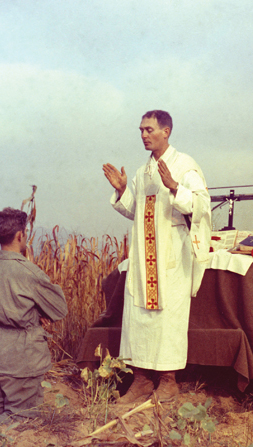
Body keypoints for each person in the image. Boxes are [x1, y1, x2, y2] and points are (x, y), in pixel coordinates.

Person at [103, 110, 211, 403]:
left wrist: (176, 187)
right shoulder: (142, 172)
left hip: (171, 257)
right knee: (138, 318)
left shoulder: (185, 166)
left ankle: (168, 381)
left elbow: (202, 205)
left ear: (166, 131)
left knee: (167, 320)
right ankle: (140, 381)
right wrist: (124, 189)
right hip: (143, 257)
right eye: (140, 130)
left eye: (149, 129)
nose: (143, 135)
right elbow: (134, 211)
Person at [0, 208, 68, 423]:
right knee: (22, 421)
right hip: (21, 359)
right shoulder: (27, 271)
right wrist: (37, 313)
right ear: (20, 235)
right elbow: (59, 308)